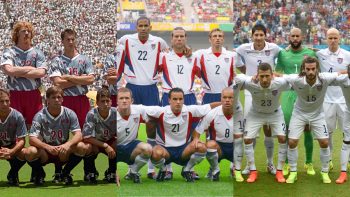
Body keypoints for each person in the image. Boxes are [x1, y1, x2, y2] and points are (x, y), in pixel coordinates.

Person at [118, 16, 168, 179]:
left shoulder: (159, 42)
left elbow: (168, 57)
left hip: (151, 88)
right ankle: (131, 164)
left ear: (150, 27)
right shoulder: (125, 40)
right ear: (136, 27)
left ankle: (151, 167)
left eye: (146, 26)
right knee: (128, 122)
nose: (143, 28)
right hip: (132, 87)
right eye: (140, 26)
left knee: (152, 124)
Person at [284, 57, 340, 184]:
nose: (310, 72)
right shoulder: (296, 79)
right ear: (303, 69)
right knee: (292, 142)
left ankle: (324, 172)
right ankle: (293, 172)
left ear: (317, 69)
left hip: (317, 115)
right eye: (308, 69)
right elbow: (281, 76)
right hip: (299, 113)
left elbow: (339, 74)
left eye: (313, 69)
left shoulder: (325, 78)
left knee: (324, 142)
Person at [49, 28, 95, 179]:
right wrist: (78, 78)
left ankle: (89, 170)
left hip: (81, 100)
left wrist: (68, 77)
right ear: (62, 41)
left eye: (72, 39)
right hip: (64, 100)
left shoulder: (84, 59)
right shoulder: (57, 60)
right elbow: (57, 83)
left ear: (76, 40)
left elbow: (90, 80)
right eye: (67, 39)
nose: (70, 42)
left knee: (85, 136)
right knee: (60, 136)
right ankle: (58, 170)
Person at [235, 24, 281, 175]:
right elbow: (236, 60)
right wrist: (248, 75)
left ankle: (270, 164)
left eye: (262, 35)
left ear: (265, 35)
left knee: (268, 129)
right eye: (256, 35)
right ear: (252, 35)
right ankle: (250, 165)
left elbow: (285, 56)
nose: (259, 38)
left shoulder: (274, 48)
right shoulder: (243, 48)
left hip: (269, 89)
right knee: (251, 131)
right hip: (252, 91)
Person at [147, 88, 220, 182]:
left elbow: (210, 106)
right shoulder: (161, 111)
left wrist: (228, 103)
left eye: (180, 99)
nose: (178, 102)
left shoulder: (190, 110)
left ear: (183, 100)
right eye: (175, 99)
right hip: (165, 150)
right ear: (169, 100)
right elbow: (141, 110)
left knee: (201, 147)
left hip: (183, 151)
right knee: (155, 153)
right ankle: (163, 170)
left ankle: (186, 169)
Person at [158, 27, 199, 180]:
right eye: (176, 36)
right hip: (169, 97)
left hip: (188, 96)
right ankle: (167, 168)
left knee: (191, 132)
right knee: (165, 131)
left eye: (182, 36)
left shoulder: (194, 57)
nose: (179, 39)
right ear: (171, 38)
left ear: (186, 38)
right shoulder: (163, 56)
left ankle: (189, 168)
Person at [275, 27, 317, 176]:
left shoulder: (310, 53)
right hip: (288, 94)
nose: (294, 38)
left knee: (307, 128)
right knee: (286, 129)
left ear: (302, 37)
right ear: (289, 37)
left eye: (297, 36)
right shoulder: (283, 54)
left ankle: (309, 162)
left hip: (305, 95)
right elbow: (277, 72)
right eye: (292, 36)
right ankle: (286, 163)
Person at [238, 63, 289, 183]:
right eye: (261, 76)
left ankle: (279, 171)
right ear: (257, 75)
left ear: (272, 75)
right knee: (247, 139)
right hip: (255, 114)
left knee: (282, 138)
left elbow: (295, 78)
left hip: (275, 114)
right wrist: (248, 77)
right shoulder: (251, 83)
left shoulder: (279, 83)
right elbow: (237, 77)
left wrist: (280, 75)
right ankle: (253, 170)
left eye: (267, 76)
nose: (264, 79)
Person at [25, 86, 83, 185]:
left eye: (59, 97)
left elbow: (78, 134)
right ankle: (40, 174)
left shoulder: (69, 113)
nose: (57, 100)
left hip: (62, 150)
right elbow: (32, 139)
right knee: (29, 151)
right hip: (45, 152)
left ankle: (65, 172)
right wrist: (48, 147)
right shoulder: (39, 116)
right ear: (47, 99)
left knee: (82, 146)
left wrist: (67, 145)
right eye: (53, 97)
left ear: (62, 99)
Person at [0, 21, 47, 127]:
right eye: (23, 31)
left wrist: (18, 72)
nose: (27, 33)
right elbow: (8, 70)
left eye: (29, 31)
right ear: (17, 34)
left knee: (35, 125)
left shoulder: (37, 52)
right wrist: (30, 69)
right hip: (15, 93)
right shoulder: (9, 51)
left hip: (33, 94)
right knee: (15, 125)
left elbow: (41, 72)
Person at [317, 28, 350, 170]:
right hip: (327, 99)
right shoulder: (320, 54)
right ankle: (329, 159)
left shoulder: (347, 55)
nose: (333, 40)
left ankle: (348, 160)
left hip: (344, 100)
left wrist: (341, 72)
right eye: (330, 38)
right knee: (328, 132)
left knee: (347, 132)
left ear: (340, 38)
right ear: (326, 39)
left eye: (335, 38)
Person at [75, 87, 117, 184]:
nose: (105, 104)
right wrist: (105, 145)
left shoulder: (116, 113)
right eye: (102, 101)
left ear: (111, 101)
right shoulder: (91, 114)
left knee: (117, 145)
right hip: (95, 142)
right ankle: (90, 172)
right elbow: (87, 137)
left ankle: (111, 172)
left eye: (107, 101)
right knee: (88, 147)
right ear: (97, 103)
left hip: (109, 140)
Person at [192, 88, 235, 181]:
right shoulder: (212, 113)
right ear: (221, 98)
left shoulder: (241, 113)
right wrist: (196, 139)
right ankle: (214, 169)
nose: (227, 100)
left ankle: (235, 167)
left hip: (234, 147)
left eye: (230, 97)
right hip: (218, 147)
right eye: (225, 97)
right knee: (210, 144)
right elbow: (198, 129)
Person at [116, 87, 153, 183]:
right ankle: (110, 172)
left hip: (131, 148)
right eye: (121, 98)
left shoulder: (138, 110)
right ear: (116, 101)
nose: (124, 101)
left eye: (127, 98)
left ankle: (133, 172)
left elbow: (157, 111)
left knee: (148, 148)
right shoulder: (112, 115)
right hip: (114, 148)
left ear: (132, 101)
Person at [0, 88, 27, 186]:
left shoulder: (17, 116)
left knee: (25, 153)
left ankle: (13, 173)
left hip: (12, 145)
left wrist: (11, 151)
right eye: (1, 101)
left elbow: (22, 140)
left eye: (7, 101)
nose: (5, 104)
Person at [332, 65, 350, 184]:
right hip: (348, 113)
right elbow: (327, 78)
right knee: (346, 141)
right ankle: (343, 173)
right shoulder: (343, 79)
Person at [103, 35, 125, 107]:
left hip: (129, 95)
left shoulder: (132, 59)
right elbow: (109, 79)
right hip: (113, 95)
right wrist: (123, 73)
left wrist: (117, 73)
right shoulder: (110, 57)